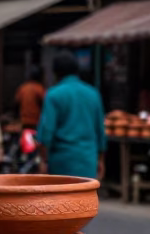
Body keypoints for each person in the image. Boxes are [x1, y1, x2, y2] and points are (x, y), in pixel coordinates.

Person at [36, 52, 105, 180]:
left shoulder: (53, 95)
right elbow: (100, 131)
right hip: (87, 161)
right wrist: (100, 160)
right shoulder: (93, 94)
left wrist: (44, 160)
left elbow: (46, 133)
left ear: (56, 73)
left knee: (62, 199)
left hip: (61, 163)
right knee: (85, 199)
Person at [15, 65, 45, 130]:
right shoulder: (40, 89)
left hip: (24, 122)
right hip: (36, 123)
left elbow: (16, 104)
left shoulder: (23, 88)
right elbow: (44, 106)